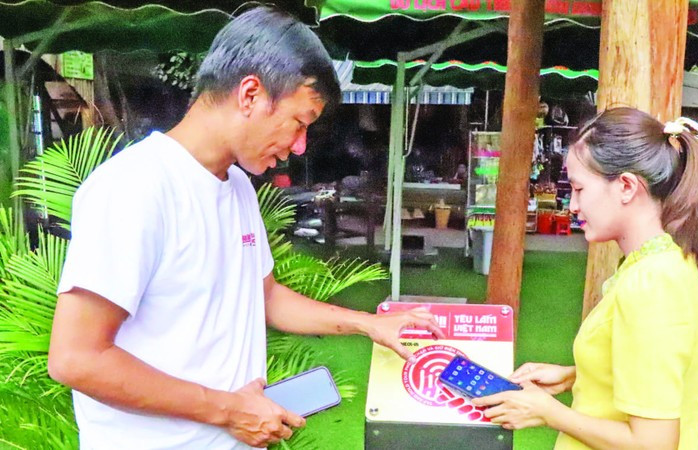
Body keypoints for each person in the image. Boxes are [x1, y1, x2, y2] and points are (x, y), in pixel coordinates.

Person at [47, 7, 443, 449]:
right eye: (299, 122)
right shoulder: (133, 188)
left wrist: (369, 324)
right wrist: (229, 410)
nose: (299, 146)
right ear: (250, 94)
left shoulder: (236, 186)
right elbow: (76, 358)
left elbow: (266, 295)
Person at [474, 107, 698, 449]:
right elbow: (655, 372)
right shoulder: (666, 263)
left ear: (627, 186)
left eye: (579, 189)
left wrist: (547, 411)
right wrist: (578, 374)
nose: (571, 205)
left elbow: (654, 444)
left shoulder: (652, 283)